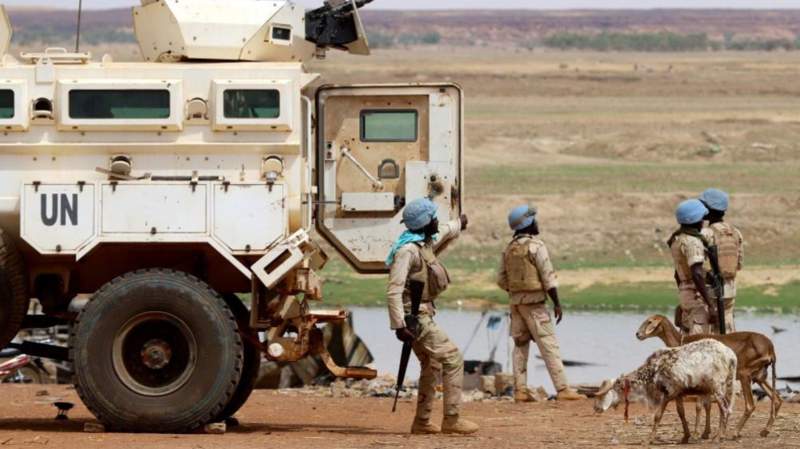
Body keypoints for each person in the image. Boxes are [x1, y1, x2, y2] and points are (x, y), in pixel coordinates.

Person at [385, 197, 478, 435]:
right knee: (453, 358)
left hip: (422, 315)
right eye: (434, 217)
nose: (438, 221)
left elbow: (444, 231)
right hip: (415, 319)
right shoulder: (408, 251)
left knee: (432, 364)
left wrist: (459, 223)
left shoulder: (422, 245)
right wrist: (399, 326)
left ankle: (422, 422)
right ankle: (452, 419)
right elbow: (394, 290)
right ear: (425, 223)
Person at [496, 205, 586, 403]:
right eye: (534, 220)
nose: (537, 223)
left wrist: (516, 292)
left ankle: (520, 390)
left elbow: (501, 280)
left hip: (516, 304)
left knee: (520, 345)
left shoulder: (509, 249)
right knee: (548, 345)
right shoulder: (536, 246)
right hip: (535, 304)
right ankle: (563, 389)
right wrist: (557, 303)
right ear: (528, 223)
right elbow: (548, 276)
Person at [667, 199, 715, 336]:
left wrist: (682, 302)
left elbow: (678, 274)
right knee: (698, 341)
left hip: (685, 294)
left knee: (686, 339)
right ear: (698, 220)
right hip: (696, 298)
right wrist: (711, 305)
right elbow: (697, 274)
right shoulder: (693, 242)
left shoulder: (677, 240)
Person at [699, 188, 743, 333]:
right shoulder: (735, 232)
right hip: (730, 288)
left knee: (710, 334)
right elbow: (739, 263)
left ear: (708, 209)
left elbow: (700, 266)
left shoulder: (706, 233)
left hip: (711, 291)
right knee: (728, 329)